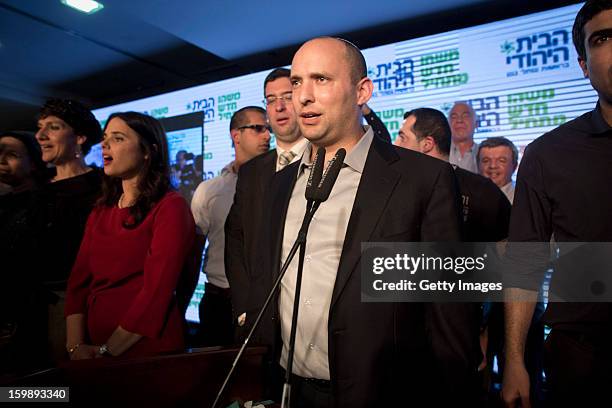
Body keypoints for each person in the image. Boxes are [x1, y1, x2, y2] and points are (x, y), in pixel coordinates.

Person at [251, 37, 480, 407]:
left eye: (321, 79)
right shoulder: (279, 183)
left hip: (382, 393)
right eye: (296, 83)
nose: (303, 97)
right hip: (286, 390)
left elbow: (447, 311)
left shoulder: (422, 179)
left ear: (362, 91)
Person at [502, 1, 612, 406]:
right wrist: (514, 360)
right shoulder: (550, 154)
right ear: (583, 64)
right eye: (602, 38)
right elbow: (525, 259)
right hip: (584, 361)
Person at [64, 112, 195, 359]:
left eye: (118, 138)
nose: (104, 144)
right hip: (93, 352)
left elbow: (157, 291)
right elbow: (78, 284)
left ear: (148, 151)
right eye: (104, 138)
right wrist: (75, 347)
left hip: (145, 352)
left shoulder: (170, 207)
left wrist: (107, 352)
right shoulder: (101, 211)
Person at [225, 69, 307, 340]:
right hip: (258, 321)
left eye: (287, 96)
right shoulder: (252, 172)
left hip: (308, 318)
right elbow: (235, 240)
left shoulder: (325, 160)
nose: (280, 106)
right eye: (271, 100)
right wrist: (244, 307)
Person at [192, 106, 270, 346]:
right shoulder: (210, 189)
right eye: (258, 128)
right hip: (218, 301)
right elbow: (193, 249)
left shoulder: (281, 181)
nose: (267, 135)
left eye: (268, 129)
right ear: (236, 135)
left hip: (263, 301)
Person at [33, 98, 103, 364]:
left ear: (81, 137)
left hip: (75, 305)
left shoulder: (103, 187)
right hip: (32, 304)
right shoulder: (36, 188)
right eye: (40, 127)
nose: (41, 135)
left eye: (53, 127)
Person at [395, 108, 511, 242]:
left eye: (402, 138)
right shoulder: (400, 191)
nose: (396, 144)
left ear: (427, 144)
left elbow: (511, 247)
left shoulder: (484, 192)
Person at [0, 131, 49, 374]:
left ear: (35, 161)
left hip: (33, 317)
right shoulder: (5, 204)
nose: (1, 161)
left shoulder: (45, 204)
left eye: (12, 155)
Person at [477, 137, 519, 203]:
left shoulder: (523, 197)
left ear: (514, 166)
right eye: (486, 161)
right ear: (478, 166)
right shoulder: (469, 197)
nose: (492, 166)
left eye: (501, 161)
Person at [448, 101, 479, 173]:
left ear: (476, 124)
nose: (459, 120)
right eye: (454, 117)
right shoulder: (439, 153)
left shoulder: (483, 154)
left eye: (465, 116)